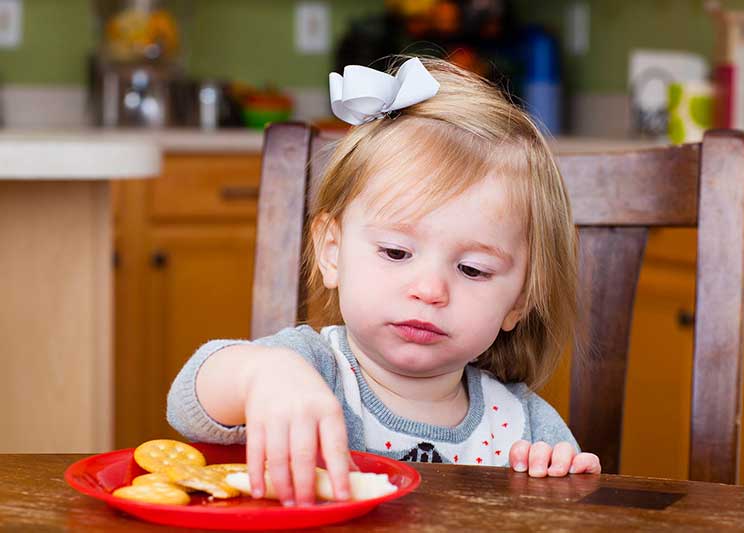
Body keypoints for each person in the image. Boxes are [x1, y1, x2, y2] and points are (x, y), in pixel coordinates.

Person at [167, 56, 601, 507]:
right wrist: (262, 375)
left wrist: (560, 483)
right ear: (332, 250)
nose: (430, 290)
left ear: (520, 301)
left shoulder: (523, 424)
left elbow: (576, 509)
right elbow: (186, 403)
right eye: (396, 253)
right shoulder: (311, 369)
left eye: (472, 269)